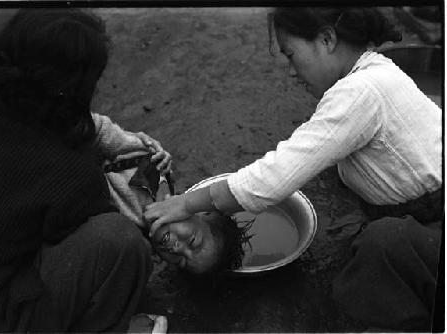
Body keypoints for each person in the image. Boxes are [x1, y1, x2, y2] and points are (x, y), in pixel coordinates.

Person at [144, 6, 442, 332]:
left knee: (380, 247)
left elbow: (273, 179)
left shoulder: (361, 92)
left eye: (290, 55)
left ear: (327, 39)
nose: (291, 70)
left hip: (433, 218)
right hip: (419, 206)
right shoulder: (373, 74)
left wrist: (185, 203)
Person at [0, 8, 170, 333]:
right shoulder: (70, 174)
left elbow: (83, 126)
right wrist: (148, 187)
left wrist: (129, 144)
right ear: (76, 86)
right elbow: (123, 221)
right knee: (123, 244)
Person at [103, 150, 251, 274]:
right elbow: (98, 131)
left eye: (181, 261)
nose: (177, 249)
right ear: (199, 210)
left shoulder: (131, 246)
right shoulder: (152, 165)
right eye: (193, 242)